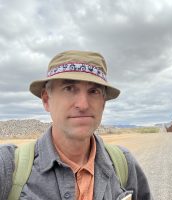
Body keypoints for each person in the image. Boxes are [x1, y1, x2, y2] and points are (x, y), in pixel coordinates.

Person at [0, 50, 152, 200]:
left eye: (94, 91)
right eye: (69, 88)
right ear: (46, 100)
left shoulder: (123, 163)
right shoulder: (9, 167)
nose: (83, 104)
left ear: (103, 103)